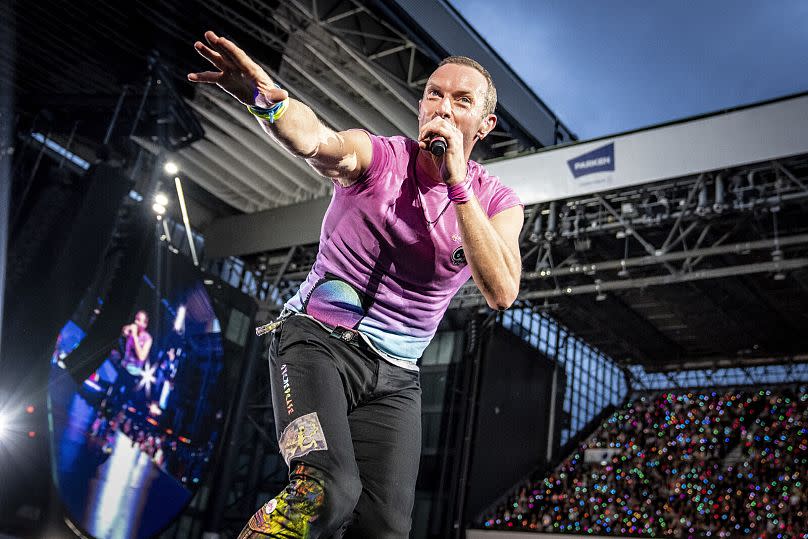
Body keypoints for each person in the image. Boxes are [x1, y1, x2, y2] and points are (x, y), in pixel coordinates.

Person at [188, 30, 523, 538]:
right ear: (420, 104)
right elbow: (319, 141)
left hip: (397, 377)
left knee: (384, 528)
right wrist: (268, 103)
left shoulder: (494, 201)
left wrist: (457, 185)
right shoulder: (382, 157)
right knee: (326, 491)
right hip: (316, 341)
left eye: (462, 100)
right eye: (434, 93)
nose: (443, 107)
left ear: (485, 123)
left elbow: (501, 291)